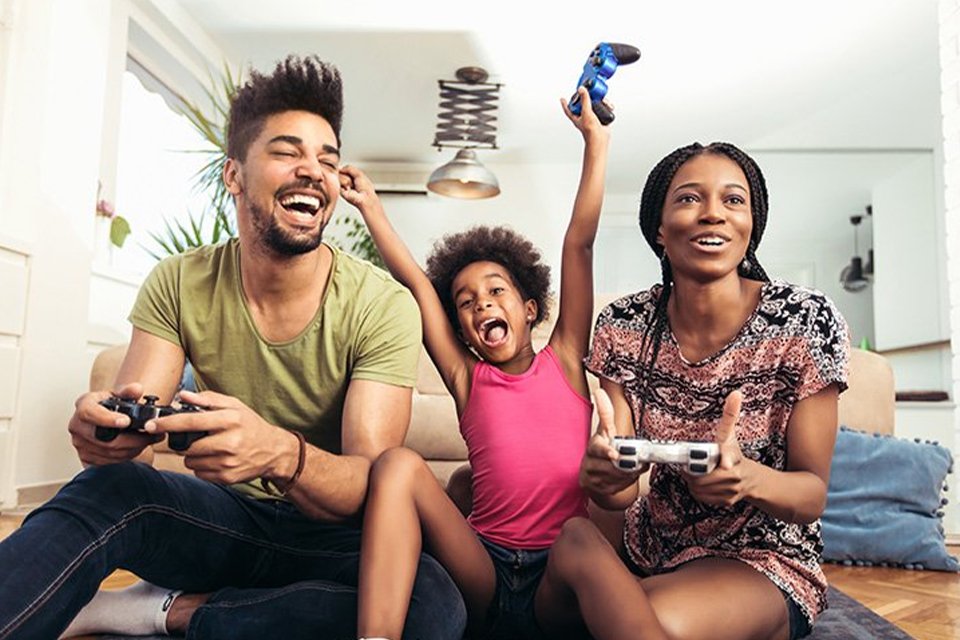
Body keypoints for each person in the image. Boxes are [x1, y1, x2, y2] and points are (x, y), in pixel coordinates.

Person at [0, 55, 465, 640]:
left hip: (332, 539)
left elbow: (367, 489)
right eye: (287, 152)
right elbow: (135, 447)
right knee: (106, 491)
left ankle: (164, 612)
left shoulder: (381, 303)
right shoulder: (179, 281)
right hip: (220, 523)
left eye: (327, 159)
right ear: (234, 175)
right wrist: (108, 438)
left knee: (432, 606)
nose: (313, 171)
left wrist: (280, 454)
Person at [534, 142, 850, 640]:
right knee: (590, 560)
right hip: (648, 548)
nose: (712, 214)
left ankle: (587, 568)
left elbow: (812, 494)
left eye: (733, 200)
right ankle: (588, 565)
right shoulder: (624, 325)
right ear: (659, 229)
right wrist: (603, 477)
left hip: (760, 558)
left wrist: (746, 479)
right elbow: (620, 491)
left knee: (636, 611)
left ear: (751, 225)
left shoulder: (804, 321)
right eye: (688, 198)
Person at [341, 87, 610, 640]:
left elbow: (579, 245)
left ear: (530, 308)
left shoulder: (565, 359)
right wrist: (370, 206)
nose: (482, 304)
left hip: (555, 579)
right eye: (466, 302)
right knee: (396, 464)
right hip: (484, 571)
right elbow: (416, 283)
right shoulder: (467, 377)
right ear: (462, 330)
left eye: (496, 291)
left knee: (576, 547)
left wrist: (595, 143)